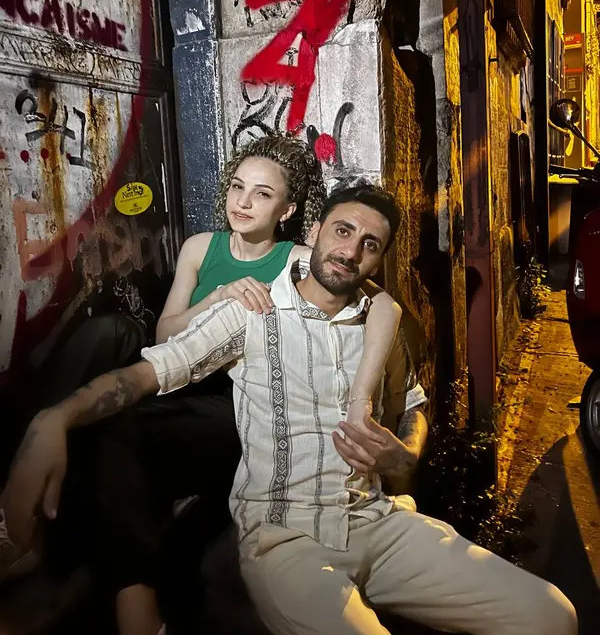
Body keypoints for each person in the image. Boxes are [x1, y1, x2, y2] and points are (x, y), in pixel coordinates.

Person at [2, 184, 576, 635]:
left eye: (369, 244)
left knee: (552, 616)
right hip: (286, 536)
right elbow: (143, 374)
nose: (350, 250)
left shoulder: (382, 323)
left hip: (380, 522)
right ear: (316, 232)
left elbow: (416, 409)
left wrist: (406, 454)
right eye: (343, 231)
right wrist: (54, 418)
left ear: (378, 260)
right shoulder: (252, 311)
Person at [1, 136, 414, 635]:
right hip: (182, 378)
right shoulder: (201, 246)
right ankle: (22, 492)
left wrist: (361, 398)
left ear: (287, 210)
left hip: (236, 397)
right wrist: (220, 296)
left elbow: (383, 304)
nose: (243, 201)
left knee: (114, 431)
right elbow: (166, 333)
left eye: (262, 194)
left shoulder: (301, 259)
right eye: (238, 187)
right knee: (109, 337)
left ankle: (119, 595)